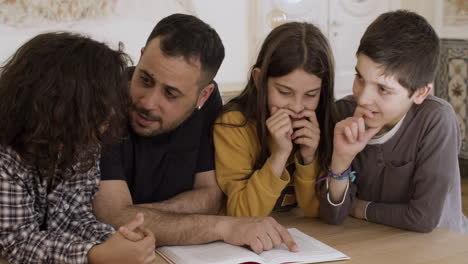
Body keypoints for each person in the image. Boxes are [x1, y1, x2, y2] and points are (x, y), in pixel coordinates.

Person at [93, 13, 298, 254]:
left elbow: (211, 198)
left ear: (203, 95)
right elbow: (111, 217)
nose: (149, 102)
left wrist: (136, 214)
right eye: (145, 79)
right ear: (140, 58)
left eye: (171, 94)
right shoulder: (102, 99)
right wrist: (224, 227)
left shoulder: (209, 104)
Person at [0, 32, 156, 264]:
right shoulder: (6, 156)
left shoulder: (82, 144)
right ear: (56, 104)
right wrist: (95, 254)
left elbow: (75, 218)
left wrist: (118, 240)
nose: (111, 115)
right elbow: (16, 243)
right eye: (100, 106)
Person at [319, 10, 468, 234]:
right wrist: (341, 160)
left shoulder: (436, 120)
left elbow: (423, 218)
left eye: (383, 89)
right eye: (360, 77)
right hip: (379, 242)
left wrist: (360, 208)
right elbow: (333, 215)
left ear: (420, 93)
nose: (363, 97)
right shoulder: (343, 113)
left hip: (444, 246)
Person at [214, 22, 337, 217]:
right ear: (258, 79)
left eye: (311, 94)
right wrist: (279, 155)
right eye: (284, 92)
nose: (297, 107)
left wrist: (309, 158)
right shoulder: (233, 124)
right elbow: (243, 215)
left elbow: (317, 213)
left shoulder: (322, 122)